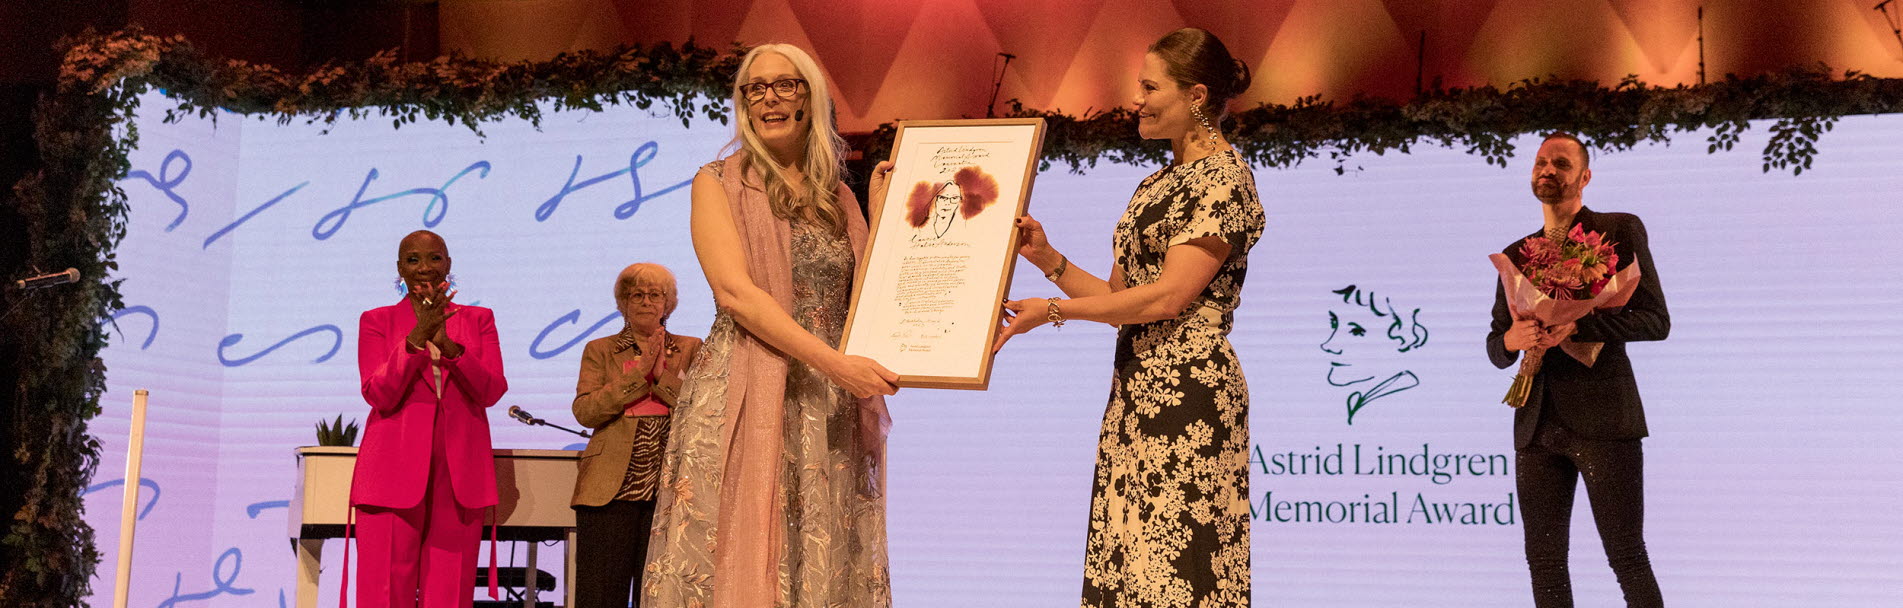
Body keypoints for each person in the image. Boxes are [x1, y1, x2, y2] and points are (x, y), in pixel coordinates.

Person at [995, 27, 1264, 607]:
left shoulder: (1223, 179)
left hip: (1190, 396)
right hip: (1137, 393)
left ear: (1196, 95)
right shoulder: (1156, 184)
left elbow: (1167, 299)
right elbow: (1123, 300)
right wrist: (1048, 260)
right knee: (1131, 568)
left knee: (1178, 574)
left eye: (1148, 86)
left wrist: (1056, 313)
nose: (1136, 99)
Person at [641, 43, 899, 607]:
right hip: (746, 390)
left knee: (821, 560)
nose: (769, 99)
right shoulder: (716, 181)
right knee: (740, 558)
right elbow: (736, 294)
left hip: (826, 404)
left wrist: (881, 221)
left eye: (786, 85)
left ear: (812, 98)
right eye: (755, 88)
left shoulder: (838, 198)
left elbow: (864, 300)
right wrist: (838, 367)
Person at [1485, 132, 1669, 607]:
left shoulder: (1618, 230)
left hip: (1605, 418)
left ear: (1584, 177)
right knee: (1544, 564)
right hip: (1536, 423)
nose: (1547, 170)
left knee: (1627, 556)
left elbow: (1655, 321)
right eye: (1541, 162)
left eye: (1561, 164)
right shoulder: (1518, 252)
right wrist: (1512, 341)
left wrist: (1580, 321)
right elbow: (1495, 343)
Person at [350, 229, 508, 608]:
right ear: (400, 268)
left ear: (448, 265)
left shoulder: (479, 319)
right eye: (413, 259)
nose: (424, 268)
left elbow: (491, 391)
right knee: (384, 589)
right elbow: (379, 394)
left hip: (459, 471)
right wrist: (419, 336)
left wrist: (450, 345)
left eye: (435, 258)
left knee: (449, 592)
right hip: (391, 468)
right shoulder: (376, 320)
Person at [568, 263, 701, 608]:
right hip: (609, 491)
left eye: (654, 295)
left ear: (668, 303)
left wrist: (661, 376)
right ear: (622, 303)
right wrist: (637, 375)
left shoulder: (690, 348)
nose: (645, 302)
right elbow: (585, 411)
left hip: (667, 493)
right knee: (599, 595)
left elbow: (699, 410)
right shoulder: (600, 349)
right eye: (636, 295)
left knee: (658, 596)